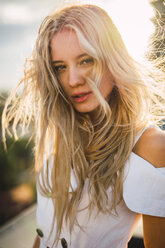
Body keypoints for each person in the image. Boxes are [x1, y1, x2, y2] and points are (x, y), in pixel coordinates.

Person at [2, 3, 165, 248]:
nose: (73, 80)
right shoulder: (63, 136)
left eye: (86, 60)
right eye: (60, 67)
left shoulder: (148, 146)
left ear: (112, 60)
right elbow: (46, 233)